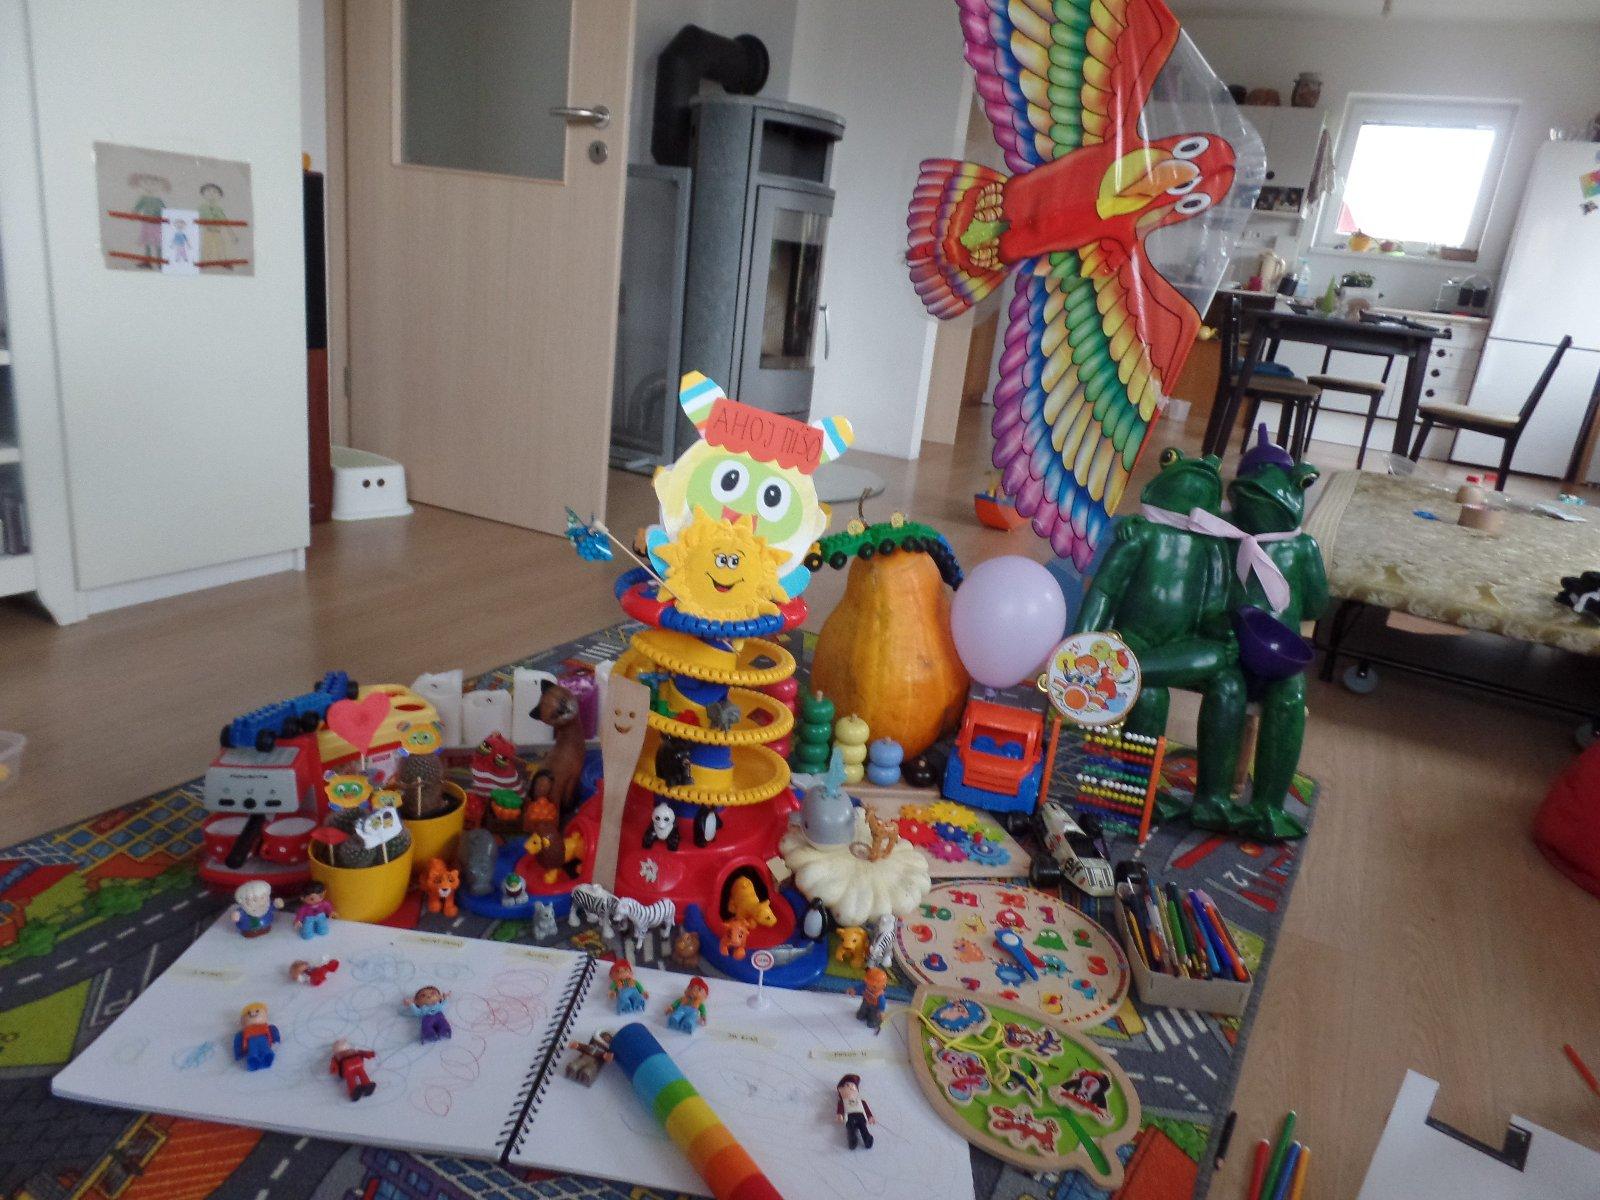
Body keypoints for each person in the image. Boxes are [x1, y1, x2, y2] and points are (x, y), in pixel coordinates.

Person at [233, 1002, 280, 1071]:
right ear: (242, 1021)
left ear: (265, 1015)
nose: (252, 1014)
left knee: (265, 1050)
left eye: (257, 1011)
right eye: (248, 1013)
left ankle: (267, 1057)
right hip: (252, 1045)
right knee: (253, 1052)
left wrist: (276, 1039)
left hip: (264, 1044)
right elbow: (238, 1041)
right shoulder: (242, 1033)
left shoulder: (268, 1027)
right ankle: (253, 1061)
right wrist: (238, 1052)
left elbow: (274, 1031)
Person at [835, 1074, 875, 1150]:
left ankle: (867, 1138)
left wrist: (870, 1116)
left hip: (861, 1116)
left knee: (863, 1127)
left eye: (853, 1087)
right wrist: (840, 1115)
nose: (851, 1088)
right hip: (849, 1117)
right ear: (840, 1089)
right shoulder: (842, 1102)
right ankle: (852, 1139)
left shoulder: (861, 1101)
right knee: (851, 1128)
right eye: (847, 1086)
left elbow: (866, 1109)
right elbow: (840, 1110)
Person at [852, 967, 888, 1035]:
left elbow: (882, 1005)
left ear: (883, 986)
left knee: (871, 1023)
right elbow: (860, 987)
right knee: (860, 1014)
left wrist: (881, 1012)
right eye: (868, 984)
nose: (870, 988)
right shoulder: (866, 986)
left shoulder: (880, 996)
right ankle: (863, 1014)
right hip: (866, 1002)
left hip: (875, 1007)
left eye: (874, 987)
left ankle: (875, 1021)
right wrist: (854, 990)